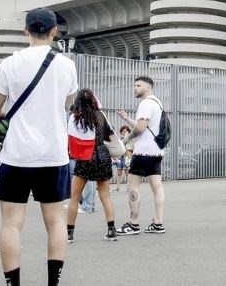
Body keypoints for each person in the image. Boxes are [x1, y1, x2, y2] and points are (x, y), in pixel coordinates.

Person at [0, 7, 80, 286]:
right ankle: (54, 282)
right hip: (53, 153)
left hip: (17, 154)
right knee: (54, 221)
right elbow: (67, 103)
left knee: (12, 223)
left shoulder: (10, 63)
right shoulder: (66, 65)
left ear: (26, 30)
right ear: (54, 32)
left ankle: (12, 283)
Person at [115, 75, 167, 236]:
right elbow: (143, 126)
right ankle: (158, 223)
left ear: (148, 87)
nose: (135, 88)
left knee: (132, 186)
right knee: (157, 188)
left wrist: (126, 138)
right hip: (156, 151)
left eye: (138, 85)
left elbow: (140, 129)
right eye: (134, 85)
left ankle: (134, 224)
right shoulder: (157, 103)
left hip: (143, 151)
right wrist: (126, 119)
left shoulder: (145, 103)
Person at [65, 88, 120, 243]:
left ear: (78, 102)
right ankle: (111, 231)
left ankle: (69, 234)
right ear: (94, 101)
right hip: (102, 156)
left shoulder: (75, 117)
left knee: (74, 198)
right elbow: (112, 138)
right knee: (105, 196)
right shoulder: (101, 116)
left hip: (84, 157)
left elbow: (69, 140)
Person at [112, 125, 131, 191]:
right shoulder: (119, 139)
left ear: (128, 132)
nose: (124, 133)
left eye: (125, 131)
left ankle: (128, 188)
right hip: (120, 158)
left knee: (127, 173)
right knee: (119, 173)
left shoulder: (129, 139)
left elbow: (131, 148)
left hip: (126, 158)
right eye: (123, 131)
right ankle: (117, 187)